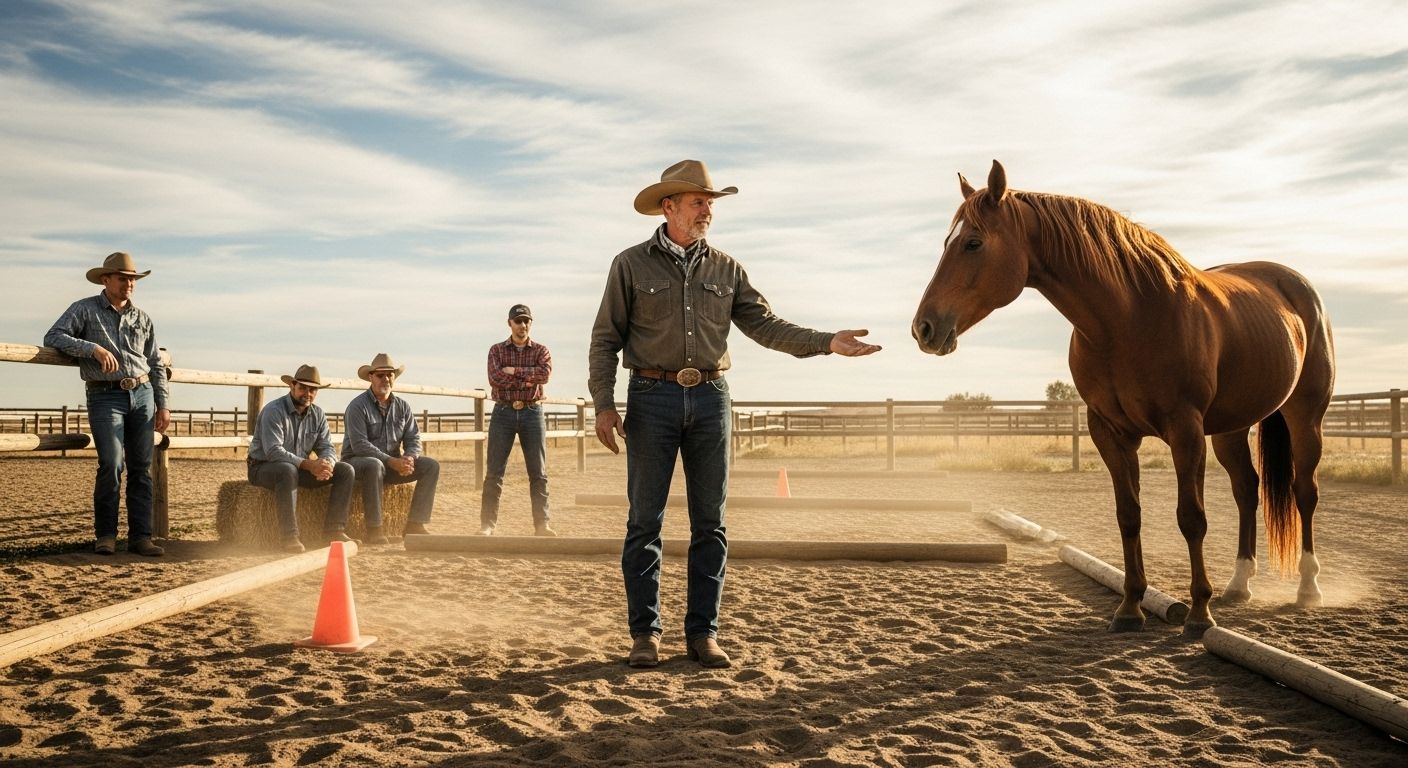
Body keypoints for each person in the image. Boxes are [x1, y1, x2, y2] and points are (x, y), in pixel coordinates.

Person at [589, 160, 882, 669]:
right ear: (670, 206)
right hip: (650, 399)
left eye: (710, 203)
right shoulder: (630, 265)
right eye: (699, 201)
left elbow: (765, 326)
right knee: (644, 522)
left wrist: (826, 343)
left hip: (710, 398)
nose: (707, 210)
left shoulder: (727, 268)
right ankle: (645, 635)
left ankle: (703, 634)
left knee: (712, 524)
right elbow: (604, 341)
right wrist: (604, 405)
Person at [45, 252, 171, 557]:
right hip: (105, 395)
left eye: (133, 279)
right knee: (112, 464)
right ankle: (106, 535)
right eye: (123, 278)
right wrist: (92, 349)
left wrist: (162, 402)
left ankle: (141, 537)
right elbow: (53, 336)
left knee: (142, 468)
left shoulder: (142, 318)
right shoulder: (84, 310)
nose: (129, 284)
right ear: (106, 280)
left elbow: (154, 362)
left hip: (142, 395)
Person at [247, 364, 356, 553]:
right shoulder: (274, 411)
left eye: (313, 389)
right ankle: (289, 536)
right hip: (263, 467)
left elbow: (327, 447)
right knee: (286, 470)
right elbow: (273, 452)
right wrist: (308, 464)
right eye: (303, 388)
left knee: (345, 470)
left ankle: (334, 531)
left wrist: (326, 464)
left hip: (299, 469)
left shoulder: (318, 414)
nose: (308, 393)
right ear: (292, 386)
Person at [342, 353, 438, 545]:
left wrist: (409, 458)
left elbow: (413, 437)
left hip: (392, 464)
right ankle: (375, 529)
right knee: (373, 465)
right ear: (371, 377)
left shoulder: (403, 407)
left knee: (431, 466)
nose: (386, 379)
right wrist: (392, 461)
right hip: (358, 463)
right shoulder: (357, 407)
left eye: (390, 374)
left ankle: (415, 524)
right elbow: (360, 445)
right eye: (380, 375)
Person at [479, 304, 555, 536]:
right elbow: (495, 379)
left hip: (532, 412)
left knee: (538, 472)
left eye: (526, 321)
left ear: (531, 323)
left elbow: (545, 376)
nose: (522, 325)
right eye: (518, 321)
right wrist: (528, 377)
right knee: (494, 472)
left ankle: (542, 524)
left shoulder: (541, 350)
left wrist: (514, 371)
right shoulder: (496, 351)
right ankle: (487, 525)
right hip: (503, 412)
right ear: (509, 323)